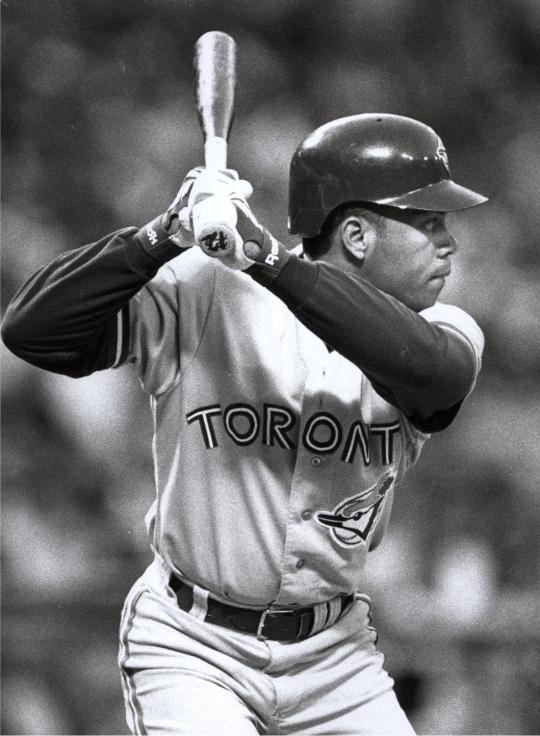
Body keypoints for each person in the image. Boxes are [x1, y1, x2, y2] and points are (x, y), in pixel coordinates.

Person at [2, 112, 487, 735]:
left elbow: (433, 375)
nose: (449, 243)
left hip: (336, 657)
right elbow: (35, 331)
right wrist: (160, 235)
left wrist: (268, 259)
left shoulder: (444, 330)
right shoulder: (210, 292)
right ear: (358, 235)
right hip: (193, 645)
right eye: (428, 222)